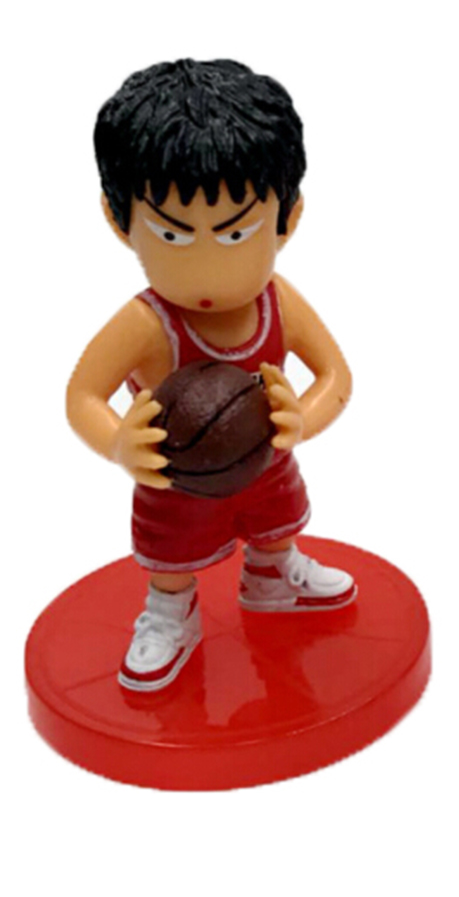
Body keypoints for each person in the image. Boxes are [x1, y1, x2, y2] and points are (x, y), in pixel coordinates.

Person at [68, 60, 356, 693]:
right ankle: (170, 611)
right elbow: (83, 395)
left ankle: (273, 575)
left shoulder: (280, 301)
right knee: (172, 551)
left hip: (267, 460)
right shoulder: (146, 324)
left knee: (277, 518)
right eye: (173, 236)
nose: (205, 266)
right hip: (178, 479)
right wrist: (120, 442)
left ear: (287, 219)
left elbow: (335, 374)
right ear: (120, 222)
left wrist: (302, 419)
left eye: (234, 234)